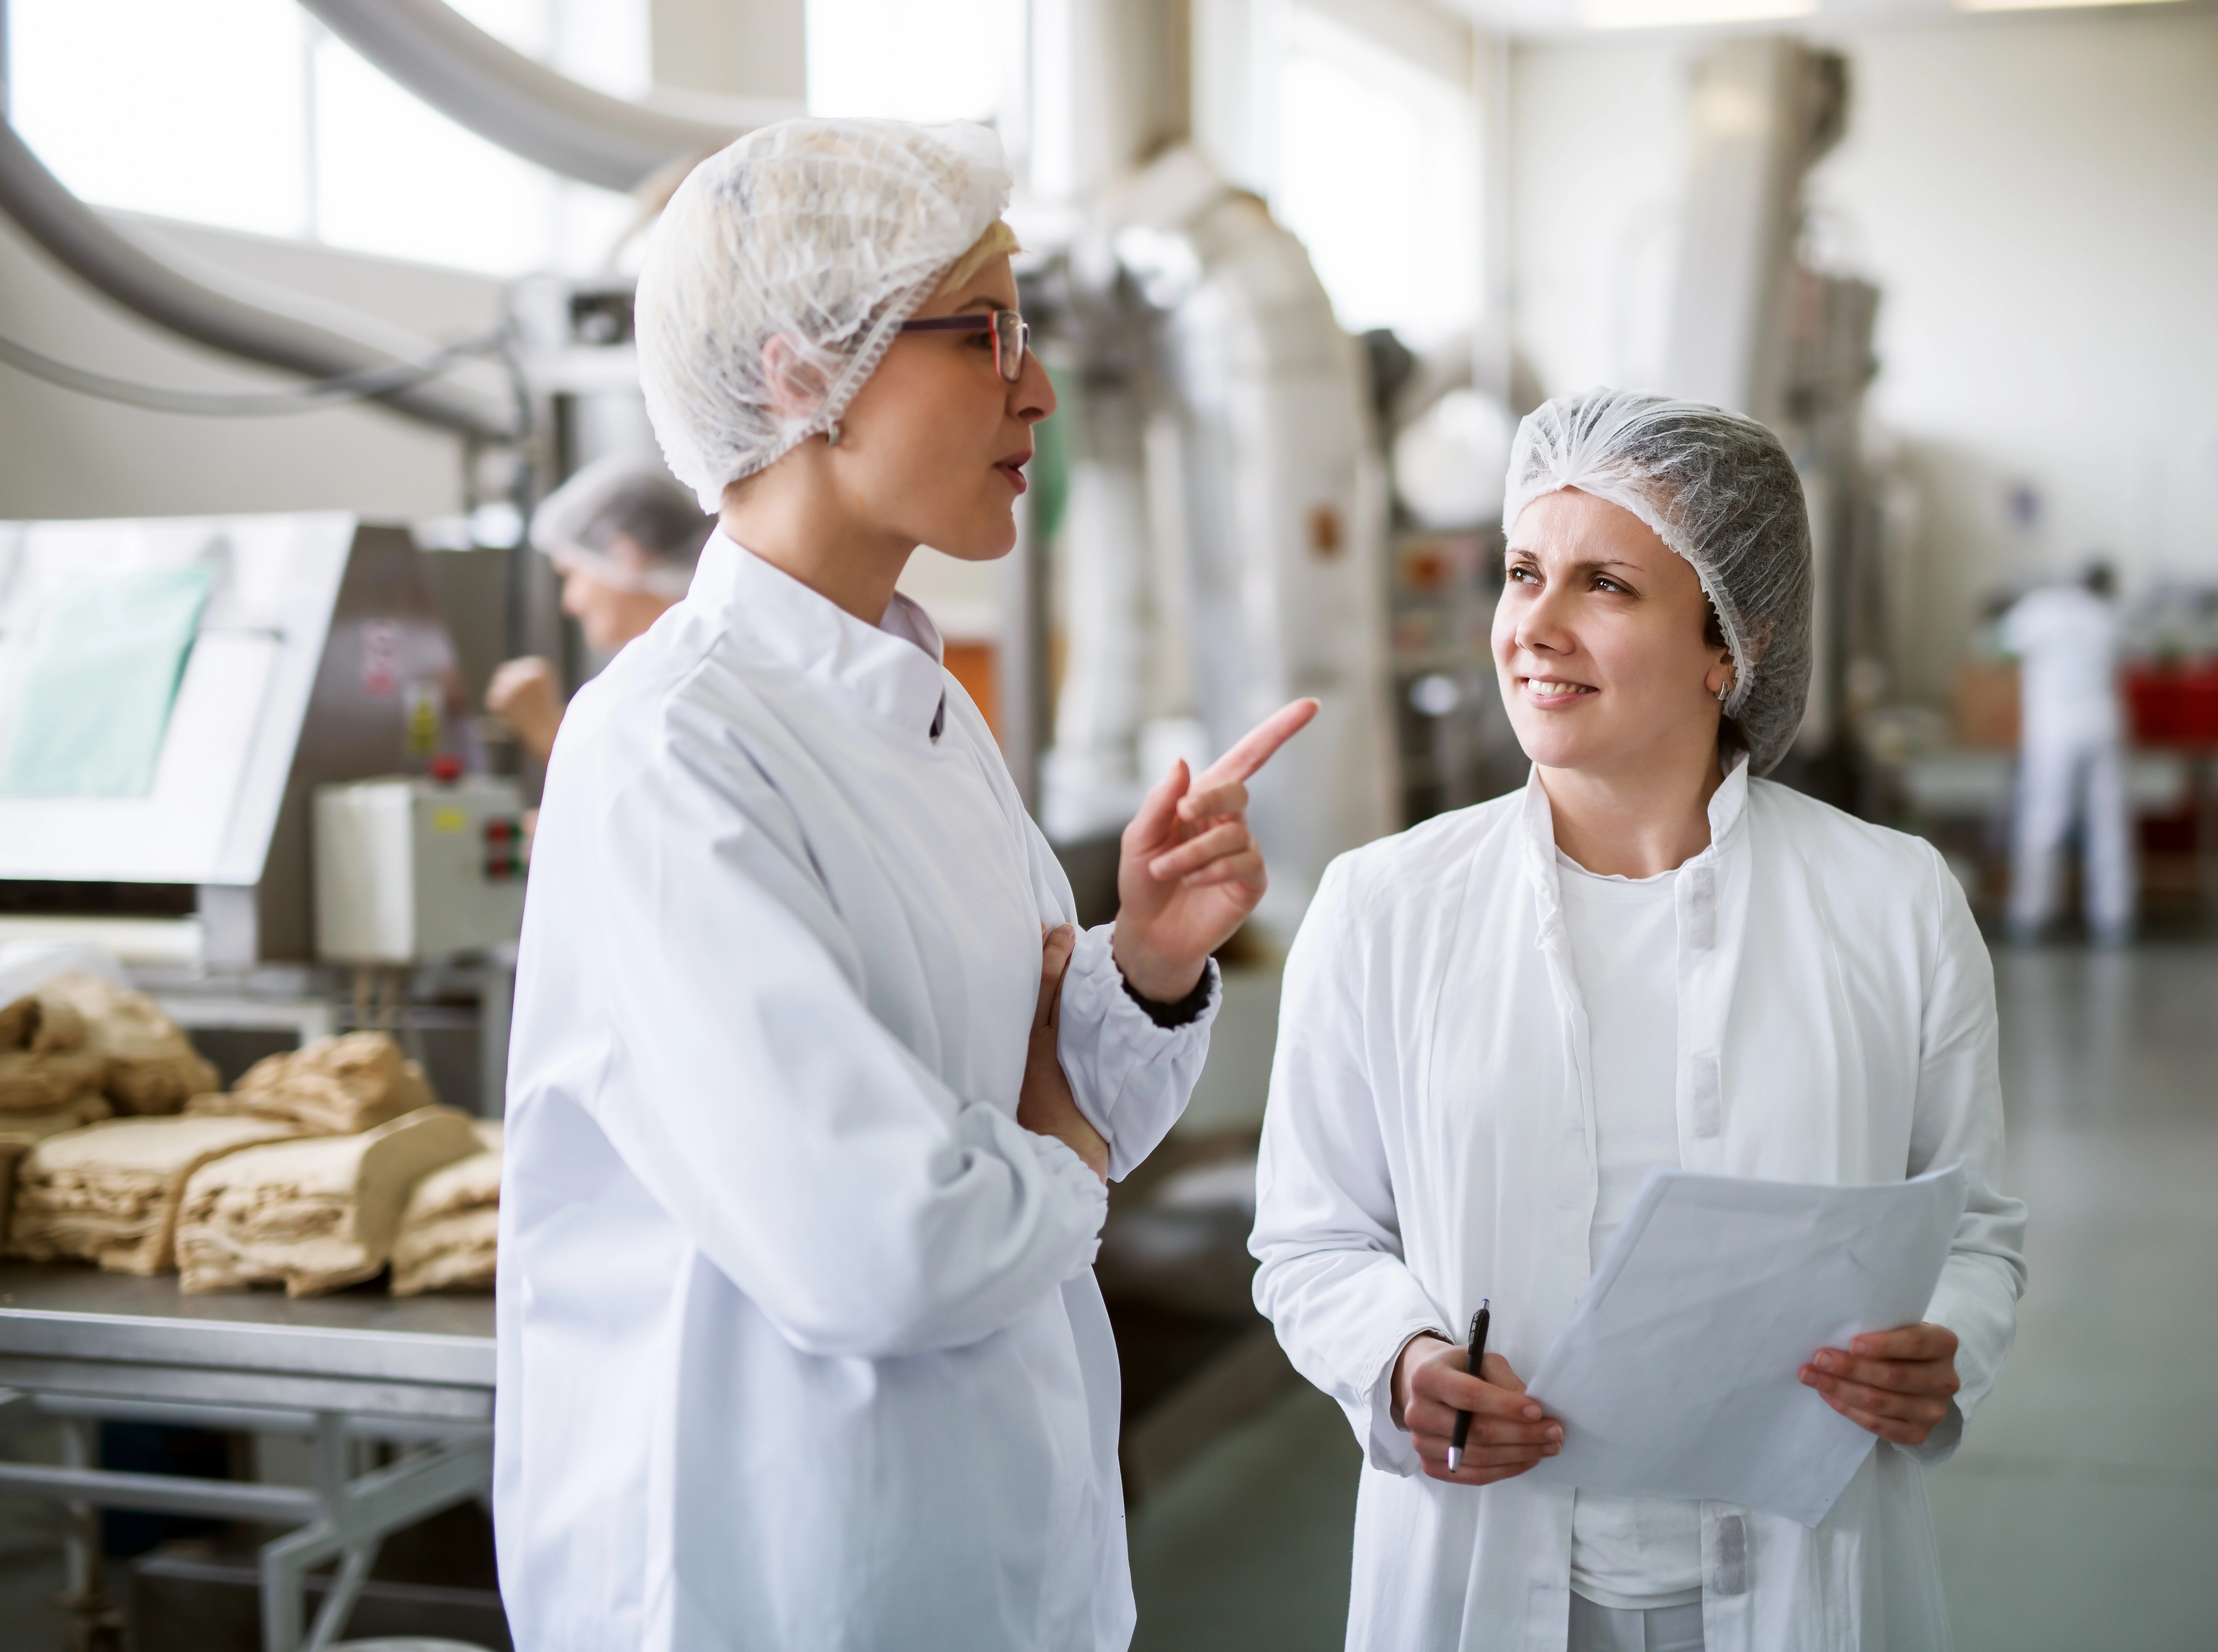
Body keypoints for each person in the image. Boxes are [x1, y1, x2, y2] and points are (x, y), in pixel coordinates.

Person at [494, 118, 1315, 1652]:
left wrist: (1136, 961)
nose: (1040, 389)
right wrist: (1051, 1135)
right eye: (983, 333)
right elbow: (878, 1242)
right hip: (776, 1564)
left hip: (984, 1533)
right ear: (803, 373)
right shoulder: (670, 746)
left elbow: (1039, 1119)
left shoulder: (916, 703)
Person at [1249, 389, 2026, 1652]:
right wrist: (1397, 1363)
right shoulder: (1384, 907)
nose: (1533, 628)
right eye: (1521, 572)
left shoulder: (1891, 902)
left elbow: (1972, 1222)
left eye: (1605, 584)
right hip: (1485, 1560)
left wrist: (1945, 1339)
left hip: (1802, 1563)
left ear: (1732, 641)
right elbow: (1312, 1237)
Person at [482, 456, 713, 764]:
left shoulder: (688, 678)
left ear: (626, 555)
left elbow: (648, 796)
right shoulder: (669, 667)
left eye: (572, 576)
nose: (570, 604)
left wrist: (545, 729)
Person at [2002, 560, 2132, 945]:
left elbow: (1999, 644)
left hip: (2054, 731)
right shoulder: (2106, 614)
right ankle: (2114, 917)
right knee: (2108, 822)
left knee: (2045, 819)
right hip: (2103, 726)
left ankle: (2032, 914)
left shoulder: (2038, 609)